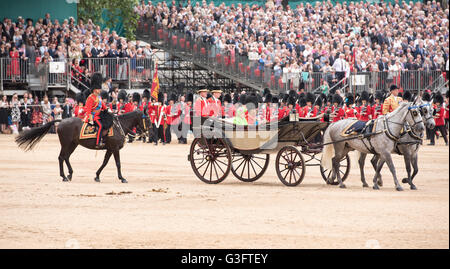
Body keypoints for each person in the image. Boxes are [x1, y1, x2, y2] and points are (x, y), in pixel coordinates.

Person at [83, 73, 107, 148]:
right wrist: (90, 119)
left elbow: (103, 106)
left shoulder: (98, 97)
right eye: (98, 89)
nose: (99, 90)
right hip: (93, 116)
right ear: (94, 89)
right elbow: (89, 110)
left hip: (99, 115)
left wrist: (108, 110)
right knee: (100, 126)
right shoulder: (91, 98)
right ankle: (98, 142)